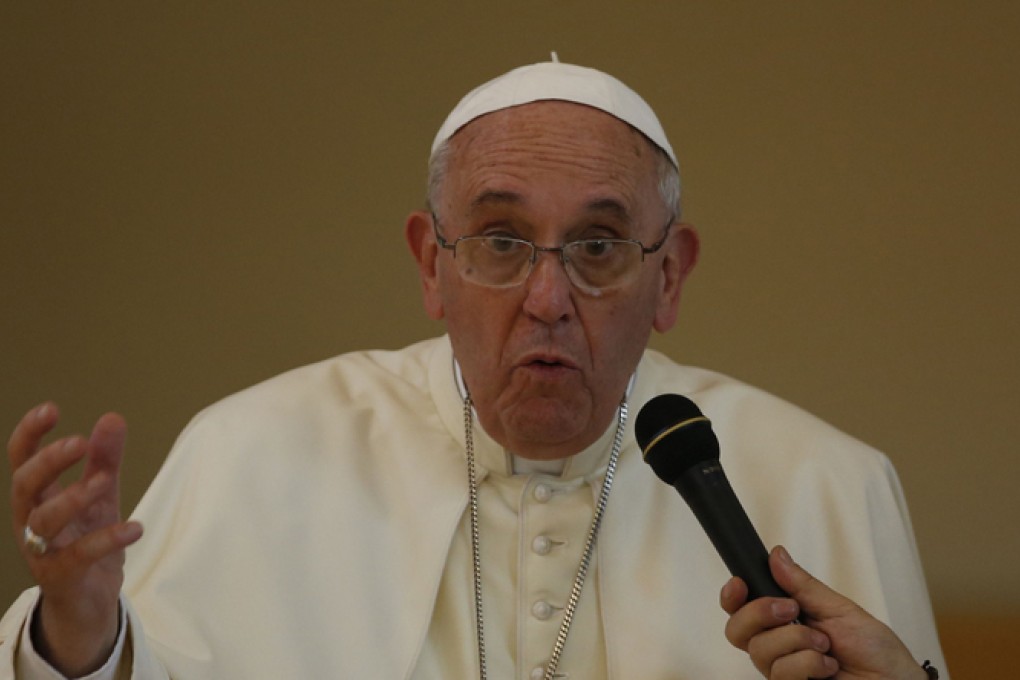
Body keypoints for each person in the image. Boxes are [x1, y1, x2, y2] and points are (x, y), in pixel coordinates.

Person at [2, 59, 947, 679]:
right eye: (500, 241)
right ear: (430, 265)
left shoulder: (827, 482)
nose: (546, 298)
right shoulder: (255, 449)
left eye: (600, 245)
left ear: (670, 278)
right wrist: (81, 638)